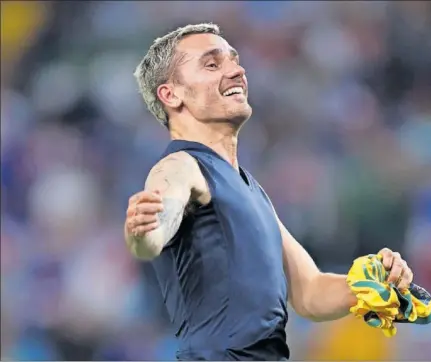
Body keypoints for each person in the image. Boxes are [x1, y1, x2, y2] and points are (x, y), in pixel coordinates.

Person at [124, 23, 414, 361]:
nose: (237, 70)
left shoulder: (249, 189)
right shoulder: (181, 166)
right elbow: (156, 226)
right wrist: (146, 231)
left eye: (234, 60)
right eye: (212, 64)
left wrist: (374, 283)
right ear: (171, 94)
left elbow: (310, 293)